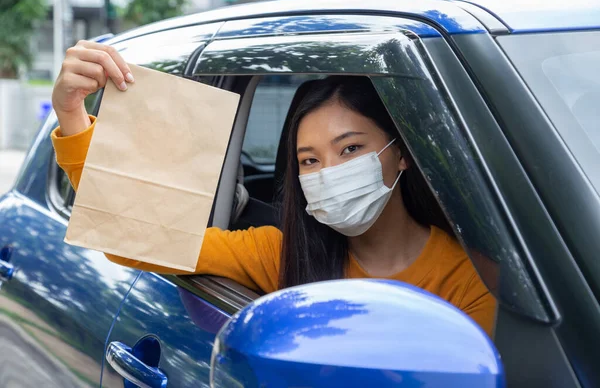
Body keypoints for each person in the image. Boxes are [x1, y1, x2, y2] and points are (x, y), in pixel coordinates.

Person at [51, 40, 496, 336]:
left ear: (401, 154)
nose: (328, 172)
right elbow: (133, 233)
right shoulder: (280, 255)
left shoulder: (470, 278)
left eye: (350, 149)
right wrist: (72, 114)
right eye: (309, 160)